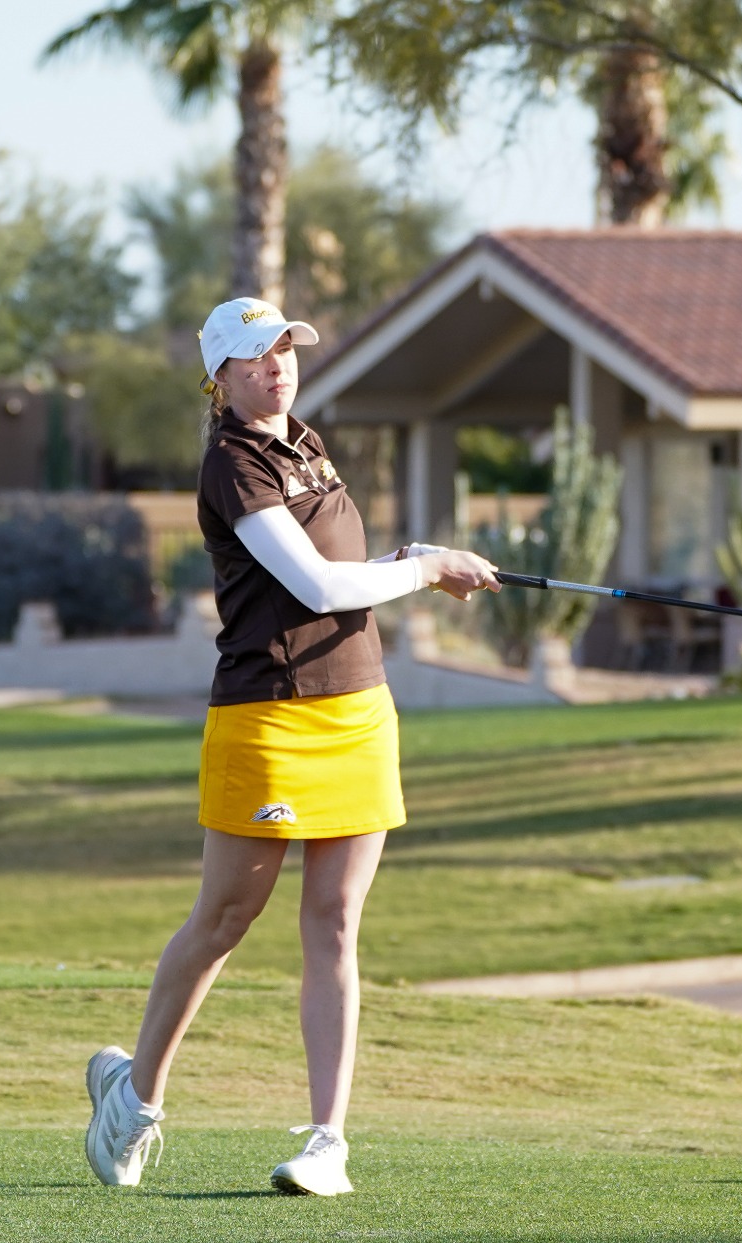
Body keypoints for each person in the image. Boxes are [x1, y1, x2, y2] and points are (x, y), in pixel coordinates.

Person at [83, 297, 500, 1196]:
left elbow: (341, 561)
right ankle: (136, 1096)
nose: (276, 366)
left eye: (284, 349)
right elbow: (312, 584)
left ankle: (327, 1142)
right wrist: (425, 571)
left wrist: (410, 553)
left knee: (337, 923)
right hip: (267, 716)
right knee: (226, 919)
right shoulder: (231, 463)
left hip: (358, 711)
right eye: (254, 356)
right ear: (220, 379)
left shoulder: (305, 444)